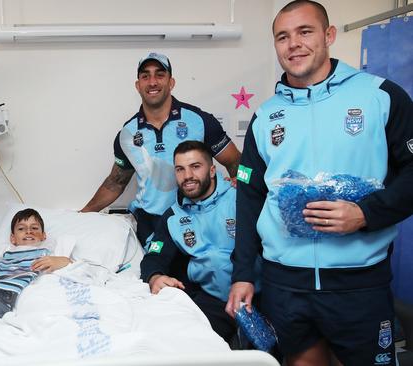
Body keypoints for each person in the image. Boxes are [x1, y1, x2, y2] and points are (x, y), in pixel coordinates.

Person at [226, 1, 413, 365]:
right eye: (283, 36)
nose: (293, 44)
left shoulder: (380, 96)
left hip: (357, 282)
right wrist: (244, 274)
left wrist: (365, 213)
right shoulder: (265, 117)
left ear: (328, 36)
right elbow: (249, 199)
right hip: (285, 284)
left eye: (304, 32)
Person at [81, 52, 241, 247]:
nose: (152, 82)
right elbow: (115, 183)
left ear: (171, 82)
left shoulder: (199, 120)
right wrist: (83, 215)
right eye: (145, 76)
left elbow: (237, 162)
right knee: (154, 274)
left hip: (197, 219)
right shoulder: (127, 133)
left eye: (159, 74)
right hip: (151, 224)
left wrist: (242, 191)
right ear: (138, 85)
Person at [140, 140, 258, 342]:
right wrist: (155, 277)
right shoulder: (173, 217)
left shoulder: (240, 198)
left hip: (255, 297)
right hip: (213, 302)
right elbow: (154, 255)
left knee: (274, 353)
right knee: (176, 341)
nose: (187, 176)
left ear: (212, 170)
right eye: (180, 169)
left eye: (195, 167)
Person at [0, 208, 72, 317]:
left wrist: (58, 260)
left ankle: (4, 306)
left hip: (26, 289)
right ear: (13, 238)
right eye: (21, 229)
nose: (29, 231)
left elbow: (74, 265)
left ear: (44, 236)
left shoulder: (48, 250)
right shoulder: (6, 251)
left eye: (34, 228)